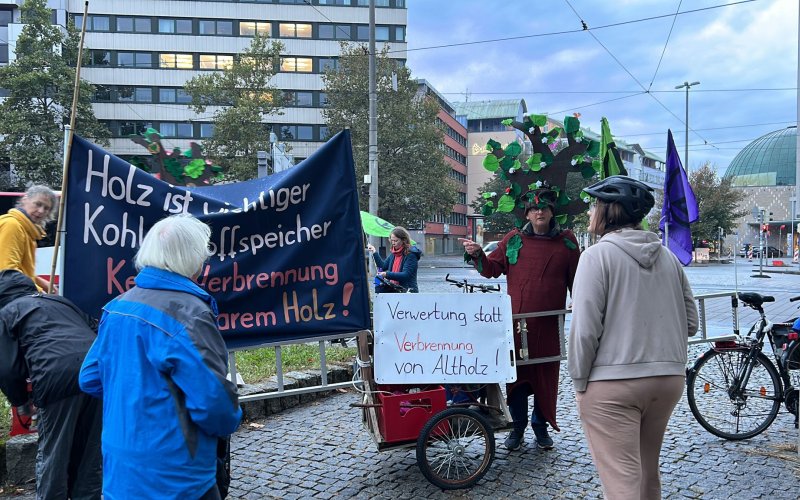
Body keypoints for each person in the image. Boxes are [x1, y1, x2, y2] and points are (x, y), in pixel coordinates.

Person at [79, 214, 242, 499]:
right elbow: (215, 407)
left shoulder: (116, 306)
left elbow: (90, 377)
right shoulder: (190, 313)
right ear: (193, 259)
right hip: (176, 476)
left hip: (120, 471)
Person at [568, 176, 698, 500]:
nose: (589, 213)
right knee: (647, 473)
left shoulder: (595, 257)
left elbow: (584, 329)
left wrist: (579, 382)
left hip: (613, 384)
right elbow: (692, 322)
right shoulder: (669, 258)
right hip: (667, 379)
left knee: (622, 481)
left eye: (593, 206)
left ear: (609, 210)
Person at [461, 189, 580, 451]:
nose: (540, 212)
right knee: (516, 377)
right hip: (516, 325)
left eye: (545, 208)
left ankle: (540, 425)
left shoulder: (567, 242)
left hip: (549, 326)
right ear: (527, 213)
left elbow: (577, 281)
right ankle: (517, 427)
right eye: (534, 209)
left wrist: (581, 301)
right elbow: (491, 270)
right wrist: (478, 253)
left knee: (546, 378)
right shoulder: (514, 239)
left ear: (552, 212)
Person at [0, 269, 102, 499]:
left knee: (53, 457)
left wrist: (21, 402)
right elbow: (95, 329)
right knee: (89, 457)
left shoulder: (7, 312)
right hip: (96, 373)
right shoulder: (60, 301)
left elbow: (6, 367)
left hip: (56, 379)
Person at [0, 185, 57, 292]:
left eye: (46, 208)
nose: (41, 211)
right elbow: (8, 272)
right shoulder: (12, 225)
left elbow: (22, 272)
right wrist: (39, 292)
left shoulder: (28, 230)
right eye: (38, 204)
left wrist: (40, 282)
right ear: (25, 199)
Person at [366, 226, 422, 293]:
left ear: (403, 240)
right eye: (392, 240)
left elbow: (406, 275)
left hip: (408, 292)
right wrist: (374, 251)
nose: (393, 243)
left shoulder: (411, 255)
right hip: (395, 291)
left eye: (396, 241)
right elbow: (383, 266)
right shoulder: (393, 254)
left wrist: (387, 274)